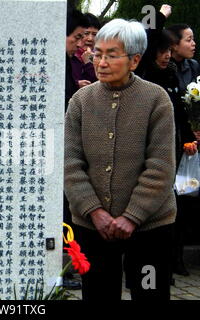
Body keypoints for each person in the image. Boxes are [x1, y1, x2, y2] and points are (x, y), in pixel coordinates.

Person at [64, 18, 177, 300]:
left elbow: (161, 166)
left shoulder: (156, 99)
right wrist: (94, 210)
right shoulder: (81, 101)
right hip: (94, 225)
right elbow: (70, 162)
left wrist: (132, 216)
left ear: (135, 60)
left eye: (111, 55)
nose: (100, 62)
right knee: (99, 293)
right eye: (97, 53)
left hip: (149, 225)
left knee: (149, 291)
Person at [137, 4, 198, 278]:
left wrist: (188, 138)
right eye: (162, 52)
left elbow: (180, 114)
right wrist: (159, 16)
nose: (165, 56)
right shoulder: (145, 78)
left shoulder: (172, 75)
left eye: (168, 52)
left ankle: (172, 261)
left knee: (174, 208)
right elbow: (147, 37)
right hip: (147, 153)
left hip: (173, 152)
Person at [64, 6, 89, 291]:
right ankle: (66, 268)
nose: (81, 43)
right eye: (78, 37)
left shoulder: (71, 61)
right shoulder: (58, 61)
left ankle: (70, 266)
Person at [71, 13, 100, 89]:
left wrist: (89, 62)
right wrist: (76, 84)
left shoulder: (101, 58)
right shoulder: (69, 55)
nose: (90, 38)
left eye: (94, 34)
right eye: (86, 33)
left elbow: (100, 83)